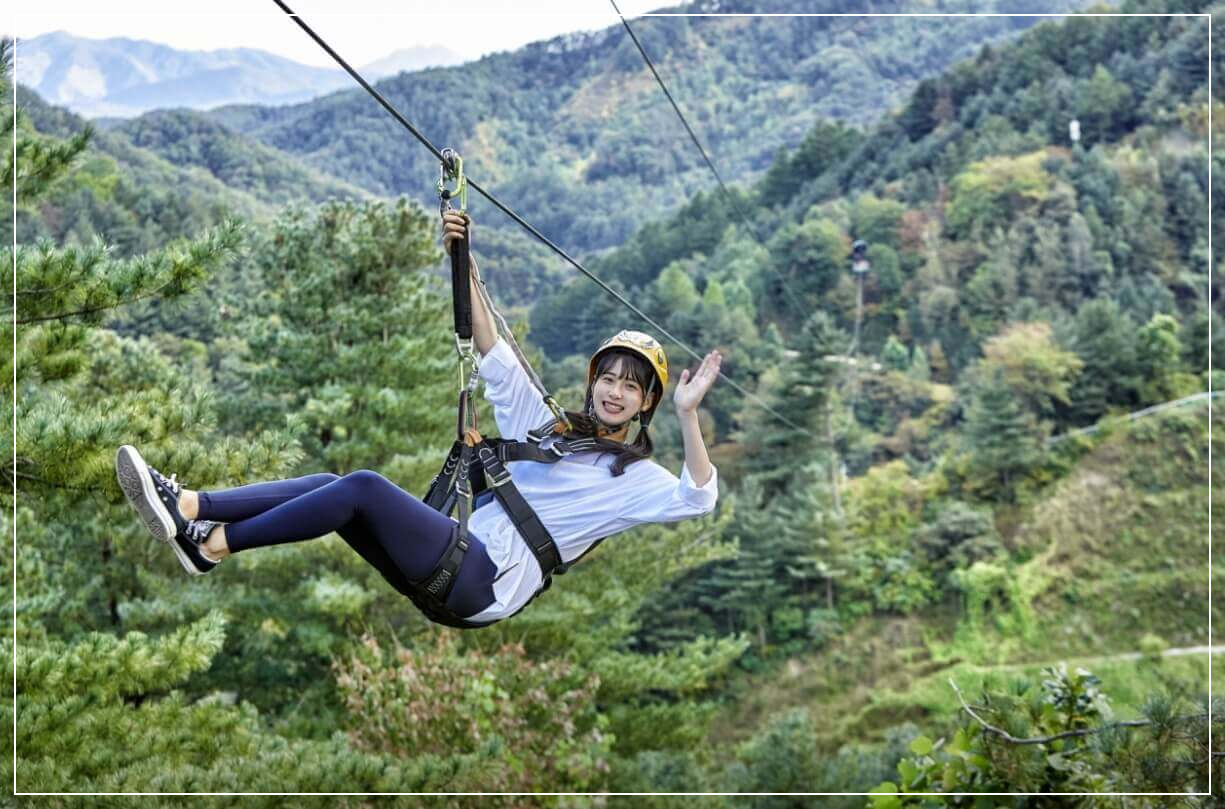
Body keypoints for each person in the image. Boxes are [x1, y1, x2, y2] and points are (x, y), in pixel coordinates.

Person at [115, 212, 722, 625]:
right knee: (336, 487)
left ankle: (213, 545)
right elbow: (495, 350)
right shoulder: (547, 431)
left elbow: (697, 498)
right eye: (609, 378)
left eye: (631, 387)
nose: (615, 392)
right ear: (593, 383)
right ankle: (193, 507)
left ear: (646, 405)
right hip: (457, 562)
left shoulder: (630, 478)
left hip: (483, 581)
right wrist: (464, 259)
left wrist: (690, 418)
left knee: (362, 487)